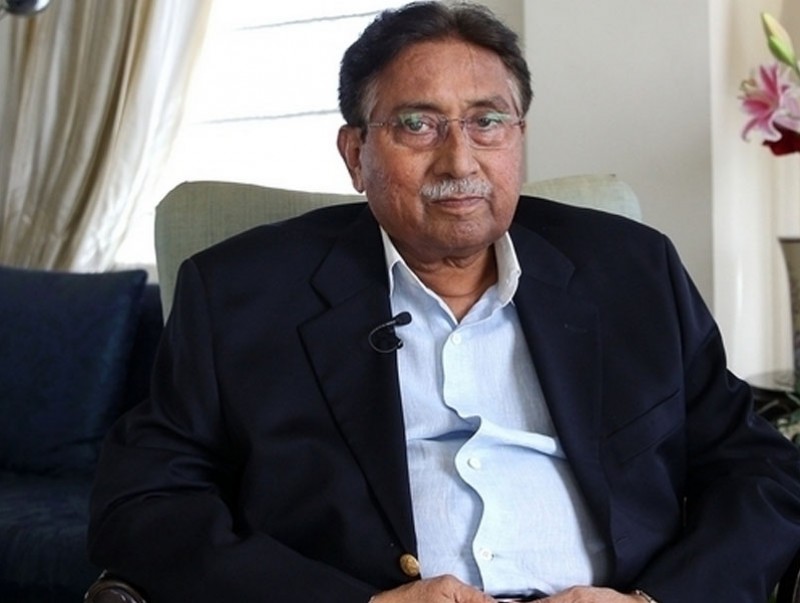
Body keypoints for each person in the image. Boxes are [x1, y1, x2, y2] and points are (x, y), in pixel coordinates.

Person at [88, 2, 800, 602]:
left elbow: (761, 471)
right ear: (355, 154)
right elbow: (144, 505)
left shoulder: (631, 269)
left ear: (518, 138)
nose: (460, 161)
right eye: (417, 124)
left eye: (487, 121)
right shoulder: (241, 292)